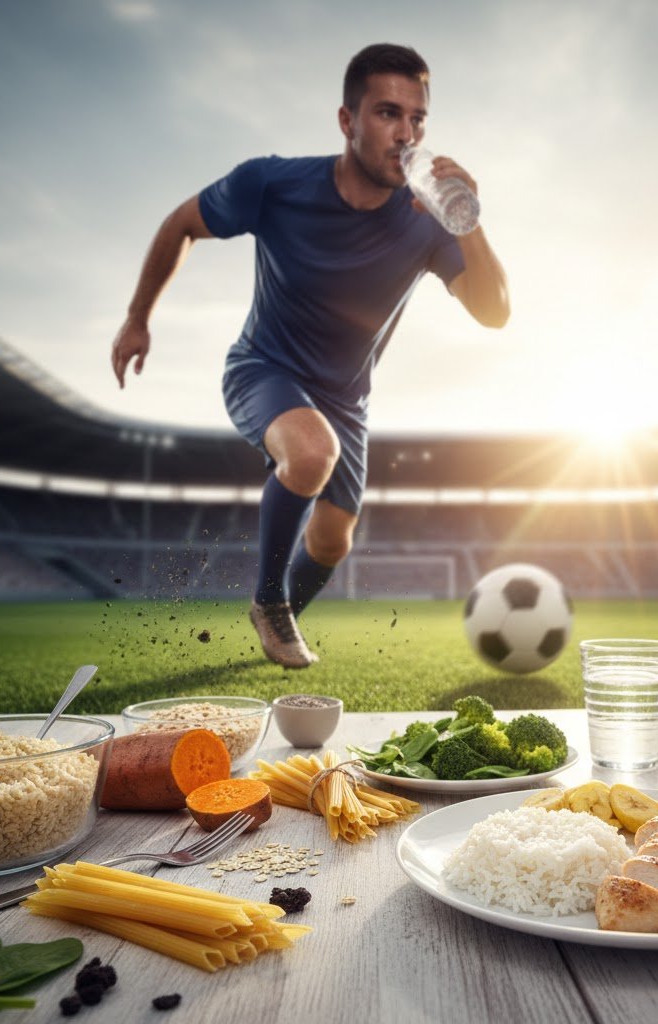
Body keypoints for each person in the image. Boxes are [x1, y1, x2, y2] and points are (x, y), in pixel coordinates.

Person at [110, 43, 509, 668]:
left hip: (346, 399)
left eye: (418, 119)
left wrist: (468, 221)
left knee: (332, 541)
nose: (406, 134)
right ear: (347, 121)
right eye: (387, 113)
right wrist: (137, 319)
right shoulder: (271, 183)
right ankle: (268, 602)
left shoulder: (426, 220)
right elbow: (180, 223)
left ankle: (278, 619)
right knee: (310, 452)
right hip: (263, 369)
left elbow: (494, 311)